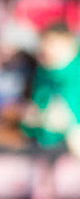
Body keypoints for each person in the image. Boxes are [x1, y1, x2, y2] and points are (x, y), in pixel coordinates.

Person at [23, 25, 80, 155]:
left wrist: (69, 126)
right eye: (44, 42)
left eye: (52, 43)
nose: (46, 49)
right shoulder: (42, 73)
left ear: (69, 42)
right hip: (42, 150)